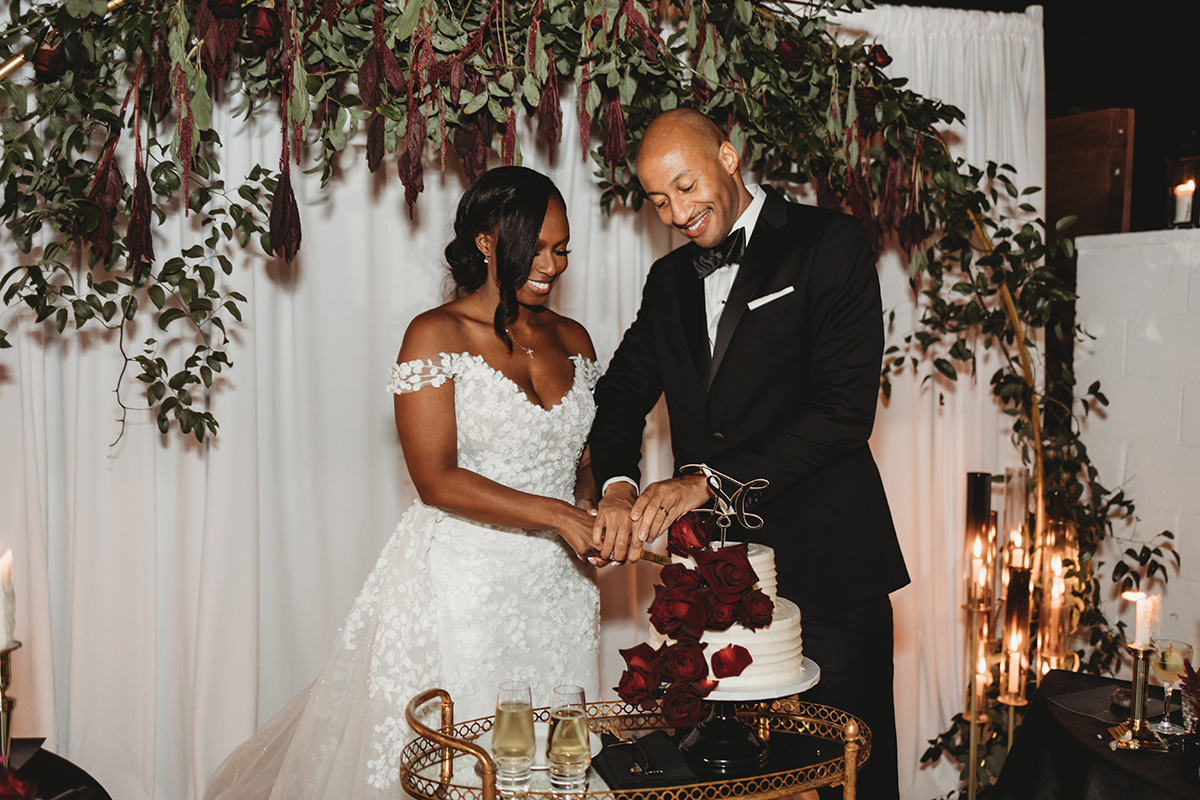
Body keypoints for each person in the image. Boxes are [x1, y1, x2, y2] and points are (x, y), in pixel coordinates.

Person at [203, 166, 602, 800]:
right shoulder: (434, 335)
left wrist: (591, 511)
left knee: (554, 758)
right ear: (486, 242)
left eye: (562, 249)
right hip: (463, 583)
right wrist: (557, 515)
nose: (551, 265)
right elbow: (436, 478)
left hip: (560, 588)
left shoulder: (574, 339)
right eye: (536, 248)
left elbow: (582, 461)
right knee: (465, 762)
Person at [589, 109, 910, 800]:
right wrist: (617, 484)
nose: (677, 213)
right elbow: (618, 395)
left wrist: (705, 481)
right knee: (732, 784)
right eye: (658, 200)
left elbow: (843, 412)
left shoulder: (830, 242)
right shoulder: (667, 281)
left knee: (849, 779)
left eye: (685, 186)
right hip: (714, 588)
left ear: (729, 157)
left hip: (831, 570)